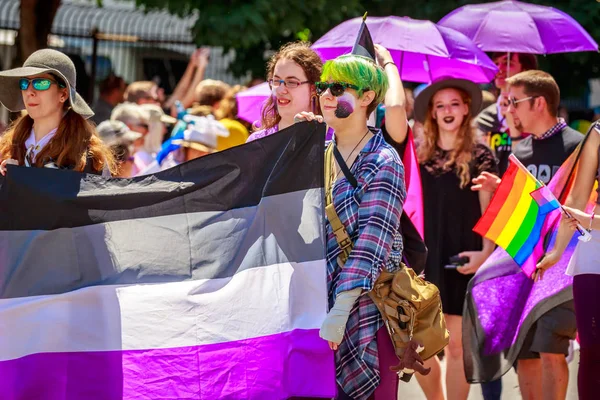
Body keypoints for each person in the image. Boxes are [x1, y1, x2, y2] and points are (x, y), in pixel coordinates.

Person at [295, 50, 407, 399]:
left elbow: (372, 244)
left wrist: (341, 310)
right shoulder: (318, 153)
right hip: (316, 312)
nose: (326, 95)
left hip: (368, 317)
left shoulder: (384, 160)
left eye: (338, 87)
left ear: (367, 97)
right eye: (324, 87)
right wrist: (295, 147)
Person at [471, 70, 583, 400]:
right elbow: (522, 209)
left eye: (514, 102)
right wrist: (499, 189)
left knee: (550, 349)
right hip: (524, 268)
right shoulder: (518, 152)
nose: (509, 110)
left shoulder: (578, 147)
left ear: (539, 102)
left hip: (562, 269)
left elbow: (580, 205)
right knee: (526, 354)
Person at [407, 78, 496, 400]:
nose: (447, 110)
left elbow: (490, 216)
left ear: (466, 109)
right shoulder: (416, 155)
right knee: (419, 345)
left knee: (457, 345)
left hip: (463, 258)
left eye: (454, 104)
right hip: (423, 260)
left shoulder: (481, 155)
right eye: (440, 104)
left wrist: (485, 254)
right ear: (432, 112)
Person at [534, 121, 600, 400]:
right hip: (594, 257)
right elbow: (577, 196)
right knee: (594, 353)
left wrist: (592, 220)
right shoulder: (598, 133)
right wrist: (557, 251)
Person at [0, 49, 116, 176]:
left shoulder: (90, 156)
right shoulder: (6, 147)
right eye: (24, 83)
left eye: (40, 83)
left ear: (64, 94)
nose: (29, 91)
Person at [246, 41, 323, 142]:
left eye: (291, 82)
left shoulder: (330, 138)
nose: (280, 90)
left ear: (313, 88)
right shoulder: (257, 141)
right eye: (276, 81)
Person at [476, 53, 538, 176]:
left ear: (525, 70)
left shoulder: (537, 118)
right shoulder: (482, 120)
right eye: (496, 63)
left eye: (507, 63)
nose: (499, 69)